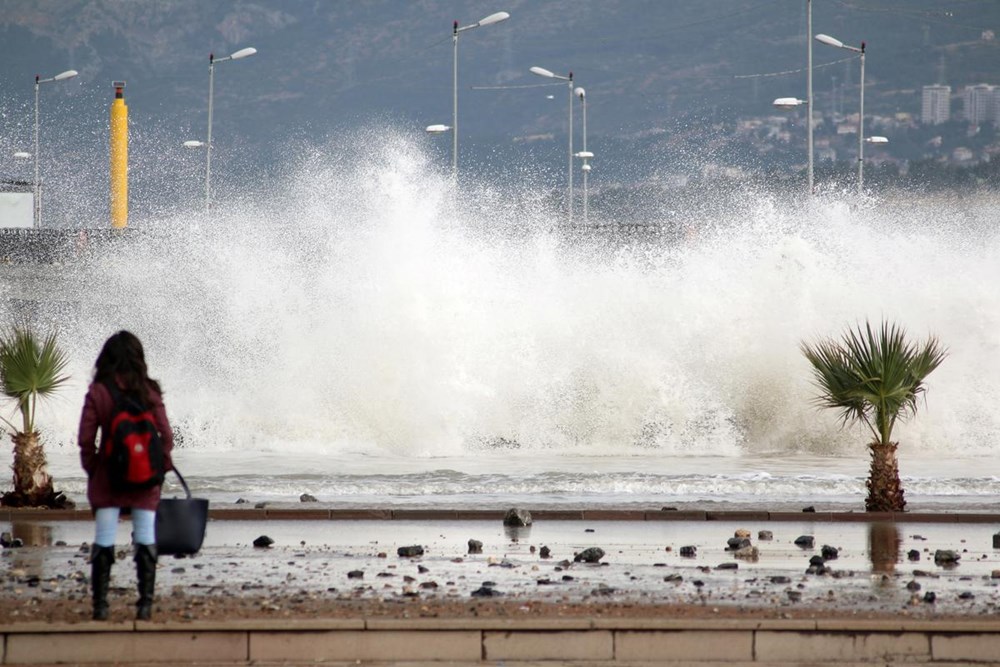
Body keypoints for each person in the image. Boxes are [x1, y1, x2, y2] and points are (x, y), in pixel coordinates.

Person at [77, 331, 174, 621]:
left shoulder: (98, 392)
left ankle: (100, 606)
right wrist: (158, 469)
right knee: (145, 536)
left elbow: (85, 439)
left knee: (104, 537)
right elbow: (167, 436)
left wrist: (94, 469)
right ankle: (144, 606)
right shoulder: (149, 390)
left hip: (109, 476)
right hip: (145, 477)